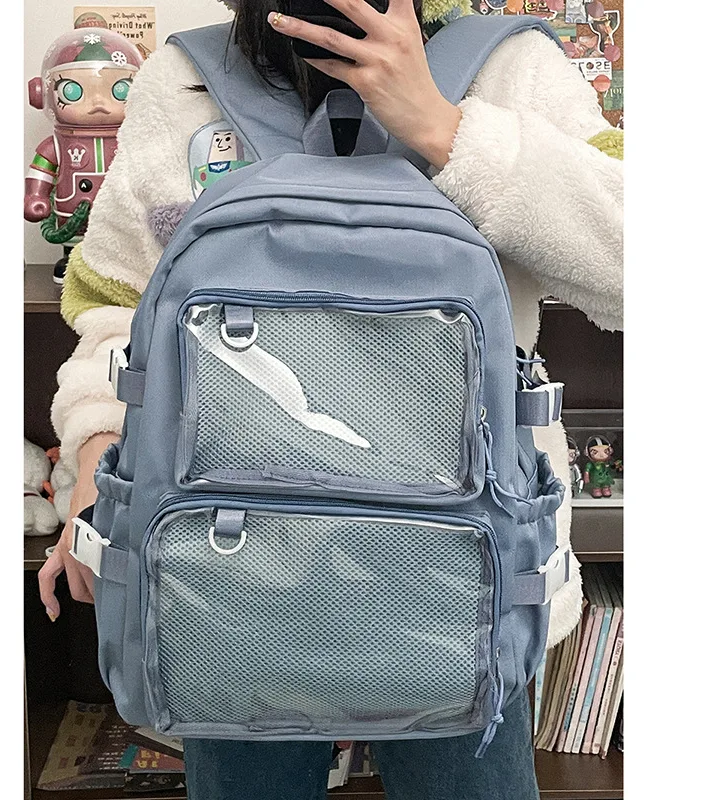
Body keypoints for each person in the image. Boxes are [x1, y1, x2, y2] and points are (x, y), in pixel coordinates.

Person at [38, 1, 623, 797]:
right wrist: (95, 462)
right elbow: (118, 307)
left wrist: (445, 129)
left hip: (462, 579)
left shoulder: (508, 66)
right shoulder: (185, 81)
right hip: (227, 570)